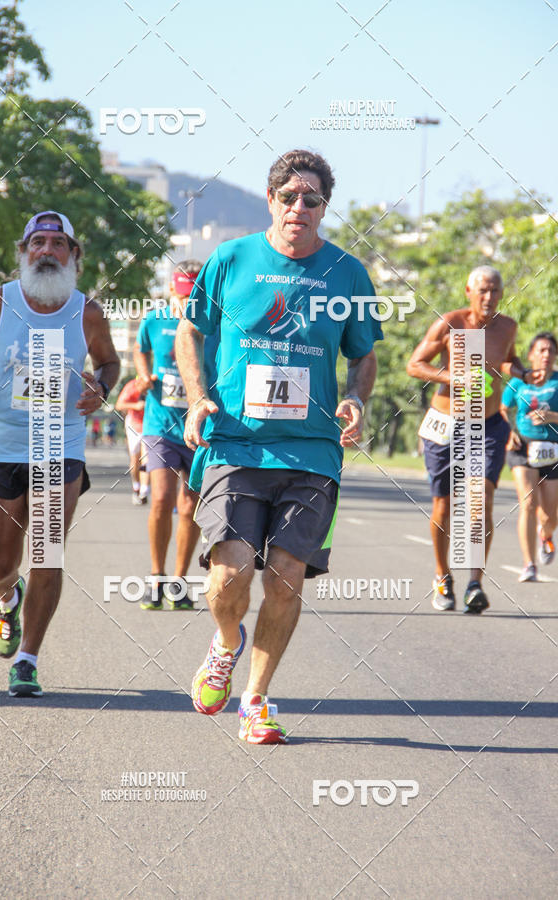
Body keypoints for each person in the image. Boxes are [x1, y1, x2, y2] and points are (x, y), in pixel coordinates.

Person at [176, 149, 382, 744]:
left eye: (311, 199)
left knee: (286, 576)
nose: (299, 208)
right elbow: (193, 329)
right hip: (236, 444)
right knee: (228, 577)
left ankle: (257, 699)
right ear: (271, 201)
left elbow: (363, 351)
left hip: (312, 451)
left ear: (324, 208)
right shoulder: (231, 258)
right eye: (288, 197)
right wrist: (197, 396)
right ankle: (225, 640)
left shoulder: (347, 273)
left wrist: (357, 399)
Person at [0, 210, 119, 696]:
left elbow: (109, 362)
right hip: (3, 442)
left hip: (60, 442)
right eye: (38, 242)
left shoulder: (87, 312)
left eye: (57, 243)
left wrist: (101, 386)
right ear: (23, 253)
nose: (46, 251)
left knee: (48, 552)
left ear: (74, 257)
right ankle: (7, 596)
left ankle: (27, 658)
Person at [406, 265, 541, 613]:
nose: (489, 297)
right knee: (445, 506)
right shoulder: (449, 323)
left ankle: (474, 583)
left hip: (489, 425)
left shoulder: (508, 327)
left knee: (480, 504)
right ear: (468, 290)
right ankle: (442, 576)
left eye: (495, 290)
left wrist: (523, 372)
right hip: (448, 424)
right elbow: (415, 364)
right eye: (482, 290)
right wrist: (454, 377)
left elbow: (506, 361)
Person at [134, 260, 204, 611]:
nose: (186, 303)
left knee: (190, 506)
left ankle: (178, 582)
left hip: (199, 428)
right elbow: (139, 350)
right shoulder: (155, 319)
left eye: (193, 295)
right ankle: (156, 577)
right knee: (161, 498)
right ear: (172, 290)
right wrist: (145, 375)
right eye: (182, 295)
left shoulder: (212, 323)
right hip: (160, 425)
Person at [501, 332, 558, 582]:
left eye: (551, 351)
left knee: (549, 515)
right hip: (522, 447)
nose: (546, 355)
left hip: (552, 449)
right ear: (531, 354)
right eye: (542, 350)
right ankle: (529, 564)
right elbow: (503, 408)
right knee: (528, 504)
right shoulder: (518, 382)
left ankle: (545, 534)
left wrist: (553, 417)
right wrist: (508, 431)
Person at [115, 377, 150, 505]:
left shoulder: (155, 385)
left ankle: (144, 492)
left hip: (149, 426)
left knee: (147, 458)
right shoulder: (131, 386)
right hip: (133, 425)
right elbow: (119, 405)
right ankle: (136, 486)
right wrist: (136, 405)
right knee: (135, 459)